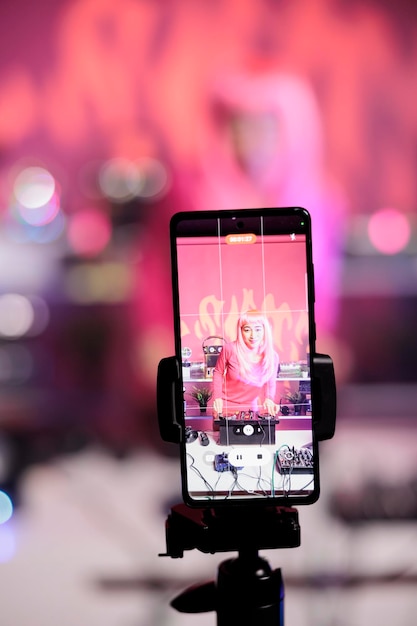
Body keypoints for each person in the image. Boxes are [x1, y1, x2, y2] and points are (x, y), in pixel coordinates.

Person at [212, 310, 279, 417]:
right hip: (225, 405)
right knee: (220, 434)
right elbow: (218, 372)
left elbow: (271, 381)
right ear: (241, 331)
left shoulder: (272, 356)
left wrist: (269, 398)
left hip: (251, 406)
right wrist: (218, 397)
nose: (253, 335)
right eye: (247, 330)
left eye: (258, 329)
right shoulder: (229, 349)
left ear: (264, 331)